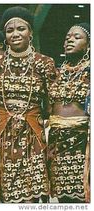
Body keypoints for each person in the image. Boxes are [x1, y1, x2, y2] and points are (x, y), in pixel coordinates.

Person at [0, 6, 57, 203]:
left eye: (21, 29)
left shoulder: (44, 62)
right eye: (10, 30)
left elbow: (54, 100)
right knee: (4, 192)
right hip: (2, 133)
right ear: (5, 36)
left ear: (30, 32)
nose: (15, 34)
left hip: (34, 134)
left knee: (33, 193)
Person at [48, 23, 90, 203]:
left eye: (76, 37)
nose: (70, 40)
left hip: (81, 141)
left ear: (88, 45)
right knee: (64, 197)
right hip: (57, 142)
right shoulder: (57, 73)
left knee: (83, 193)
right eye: (67, 38)